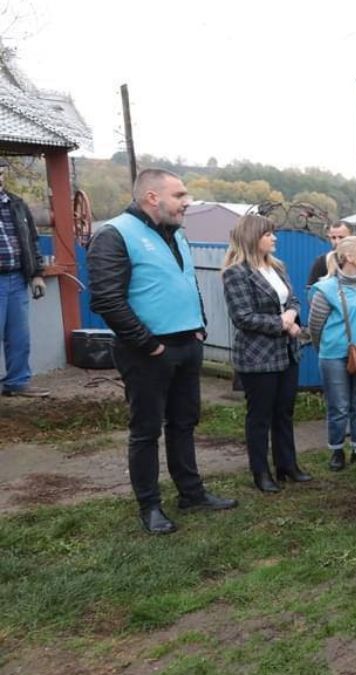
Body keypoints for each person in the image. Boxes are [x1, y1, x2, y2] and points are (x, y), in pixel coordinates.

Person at [88, 168, 237, 534]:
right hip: (148, 351)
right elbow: (107, 299)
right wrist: (149, 343)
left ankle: (192, 493)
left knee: (184, 423)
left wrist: (200, 326)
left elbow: (189, 283)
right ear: (153, 198)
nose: (187, 202)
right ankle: (150, 506)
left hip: (188, 344)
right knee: (146, 430)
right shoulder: (114, 234)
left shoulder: (177, 234)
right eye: (180, 195)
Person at [222, 214, 309, 493]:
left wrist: (293, 314)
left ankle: (287, 466)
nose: (274, 238)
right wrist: (282, 324)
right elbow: (243, 316)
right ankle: (261, 472)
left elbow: (292, 298)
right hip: (258, 356)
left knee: (284, 411)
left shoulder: (278, 267)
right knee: (259, 416)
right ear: (252, 237)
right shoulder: (236, 272)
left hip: (287, 353)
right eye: (268, 234)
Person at [308, 235, 356, 471]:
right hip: (333, 356)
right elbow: (315, 327)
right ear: (349, 257)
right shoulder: (325, 289)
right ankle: (337, 450)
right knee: (338, 407)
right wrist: (325, 350)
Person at [0, 159, 49, 398]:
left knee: (18, 335)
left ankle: (17, 382)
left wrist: (37, 275)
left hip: (17, 280)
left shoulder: (17, 204)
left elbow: (32, 241)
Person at [307, 220, 352, 287]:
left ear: (351, 237)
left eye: (341, 237)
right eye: (333, 238)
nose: (337, 241)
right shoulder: (322, 262)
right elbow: (312, 289)